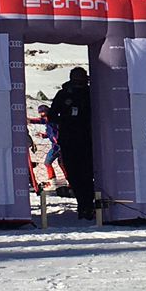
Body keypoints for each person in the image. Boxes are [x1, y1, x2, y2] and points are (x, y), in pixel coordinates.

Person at [50, 66, 95, 218]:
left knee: (87, 174)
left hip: (88, 139)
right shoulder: (63, 94)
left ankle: (88, 205)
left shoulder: (91, 93)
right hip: (69, 139)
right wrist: (66, 120)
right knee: (74, 175)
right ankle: (83, 204)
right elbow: (51, 115)